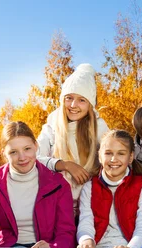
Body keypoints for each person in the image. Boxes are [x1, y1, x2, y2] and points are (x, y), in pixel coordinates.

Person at [75, 130, 142, 248]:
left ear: (130, 157)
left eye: (121, 153)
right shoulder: (90, 187)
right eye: (108, 153)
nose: (114, 159)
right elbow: (85, 222)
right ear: (100, 156)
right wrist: (86, 240)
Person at [37, 63, 110, 213]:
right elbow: (34, 157)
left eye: (81, 100)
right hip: (57, 205)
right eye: (69, 98)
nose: (73, 105)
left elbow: (116, 154)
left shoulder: (99, 127)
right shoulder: (52, 125)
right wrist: (64, 165)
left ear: (90, 104)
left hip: (90, 205)